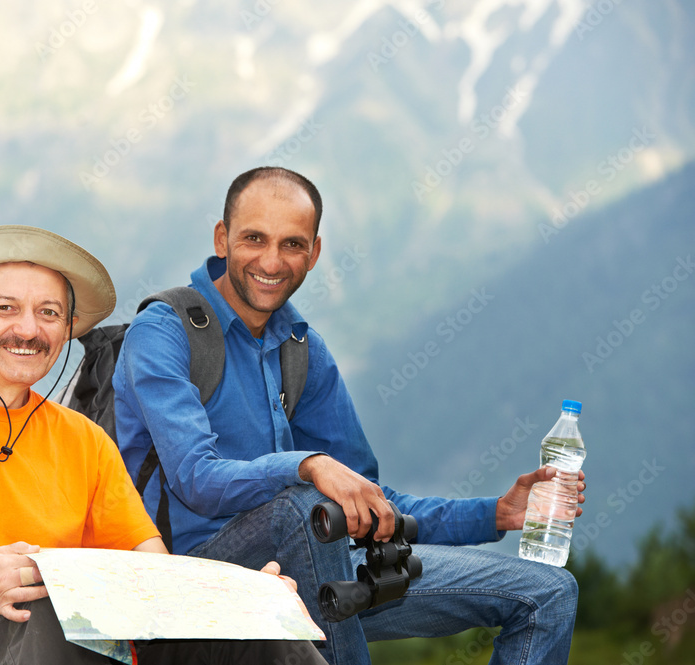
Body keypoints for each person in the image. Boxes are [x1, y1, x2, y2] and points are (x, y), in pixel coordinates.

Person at [112, 167, 587, 665]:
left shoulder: (301, 349)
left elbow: (366, 500)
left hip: (323, 572)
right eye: (254, 238)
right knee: (305, 506)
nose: (271, 261)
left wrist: (495, 514)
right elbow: (196, 480)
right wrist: (308, 465)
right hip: (196, 579)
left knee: (547, 592)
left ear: (314, 253)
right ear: (222, 238)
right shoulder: (162, 332)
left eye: (292, 244)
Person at [0, 225, 327, 665]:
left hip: (63, 646)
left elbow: (152, 575)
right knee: (40, 599)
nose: (28, 329)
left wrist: (244, 598)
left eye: (49, 314)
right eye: (6, 309)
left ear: (67, 330)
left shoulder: (84, 439)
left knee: (259, 631)